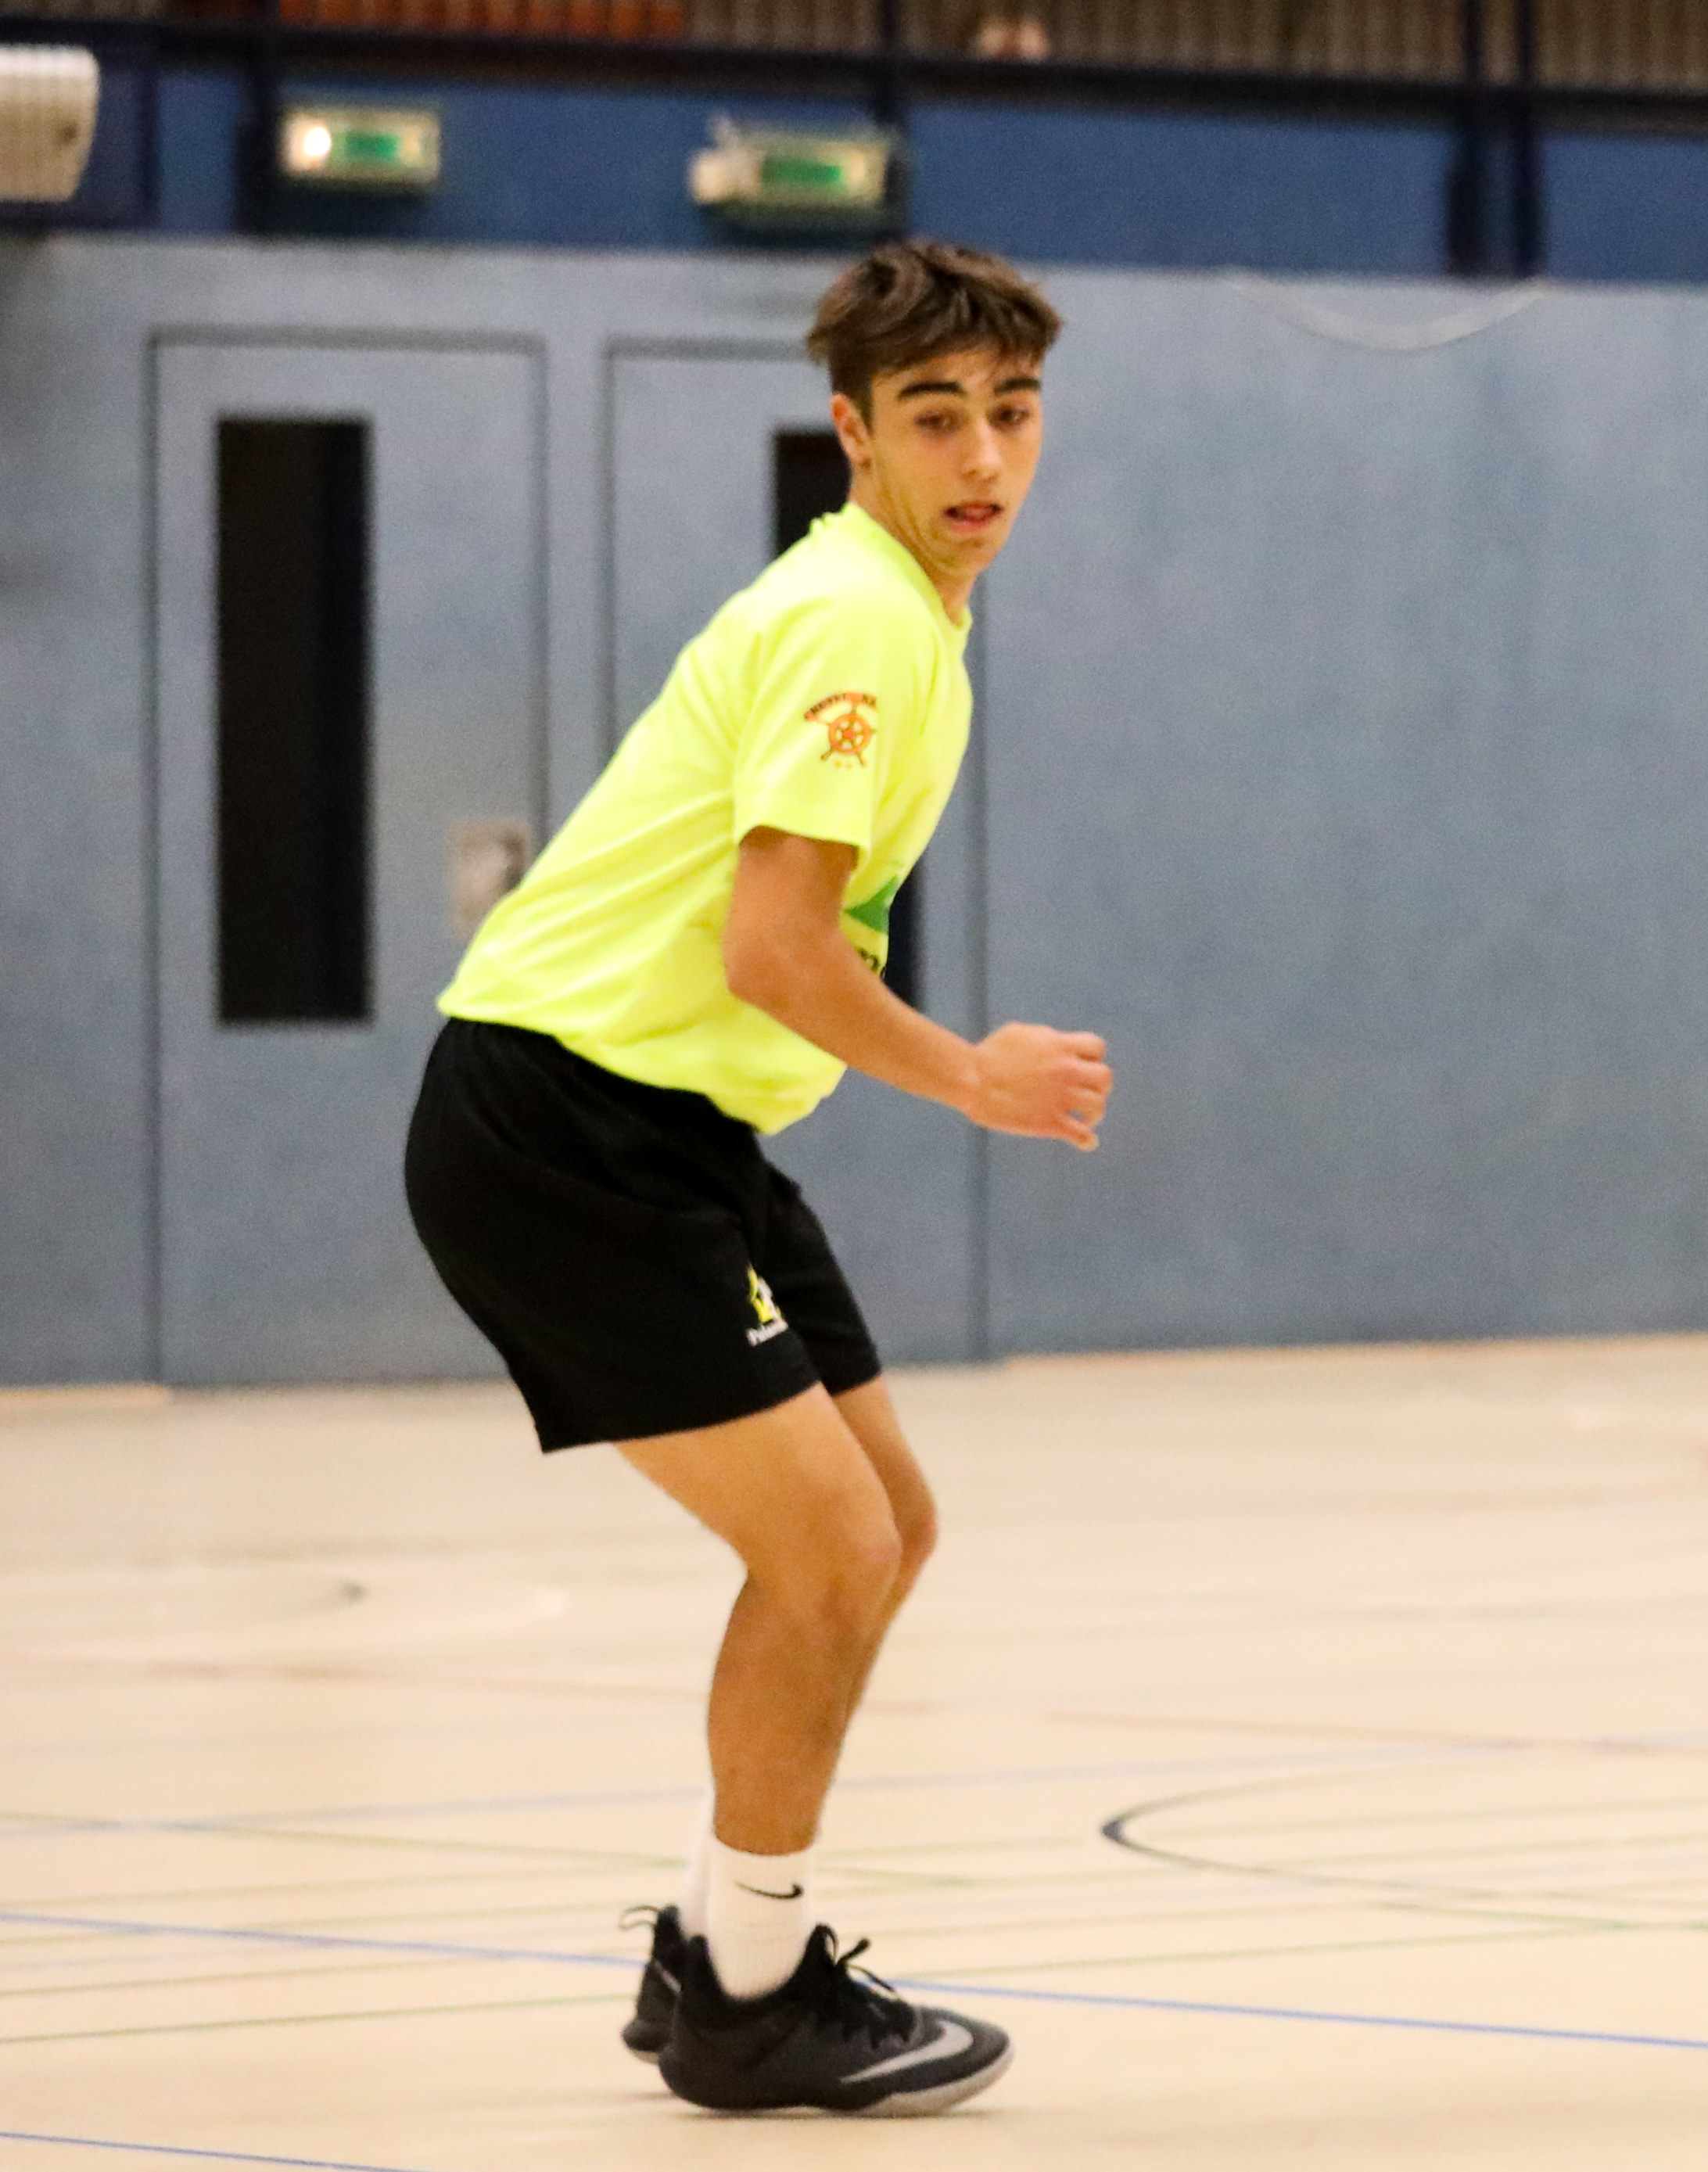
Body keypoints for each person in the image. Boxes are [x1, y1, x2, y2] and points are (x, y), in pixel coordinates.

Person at [402, 237, 1110, 2115]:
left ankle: (719, 1944)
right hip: (567, 1123)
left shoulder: (908, 615)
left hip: (681, 1127)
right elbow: (776, 946)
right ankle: (751, 2001)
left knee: (888, 1524)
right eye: (936, 416)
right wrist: (972, 1076)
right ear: (854, 434)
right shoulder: (858, 619)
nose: (984, 454)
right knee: (830, 1549)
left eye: (1013, 411)